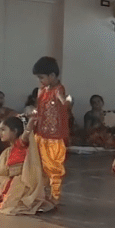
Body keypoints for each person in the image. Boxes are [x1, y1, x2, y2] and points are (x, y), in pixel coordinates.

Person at [0, 116, 53, 216]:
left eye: (3, 130)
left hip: (20, 183)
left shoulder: (20, 145)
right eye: (0, 130)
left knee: (11, 205)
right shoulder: (9, 149)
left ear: (15, 131)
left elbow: (25, 137)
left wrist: (29, 128)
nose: (0, 133)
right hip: (10, 181)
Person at [32, 57, 72, 204]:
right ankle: (42, 195)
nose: (40, 81)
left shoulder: (58, 90)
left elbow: (65, 106)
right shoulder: (41, 91)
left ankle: (55, 196)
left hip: (55, 137)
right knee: (39, 166)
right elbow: (41, 109)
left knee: (53, 166)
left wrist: (67, 101)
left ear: (52, 76)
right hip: (41, 134)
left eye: (41, 77)